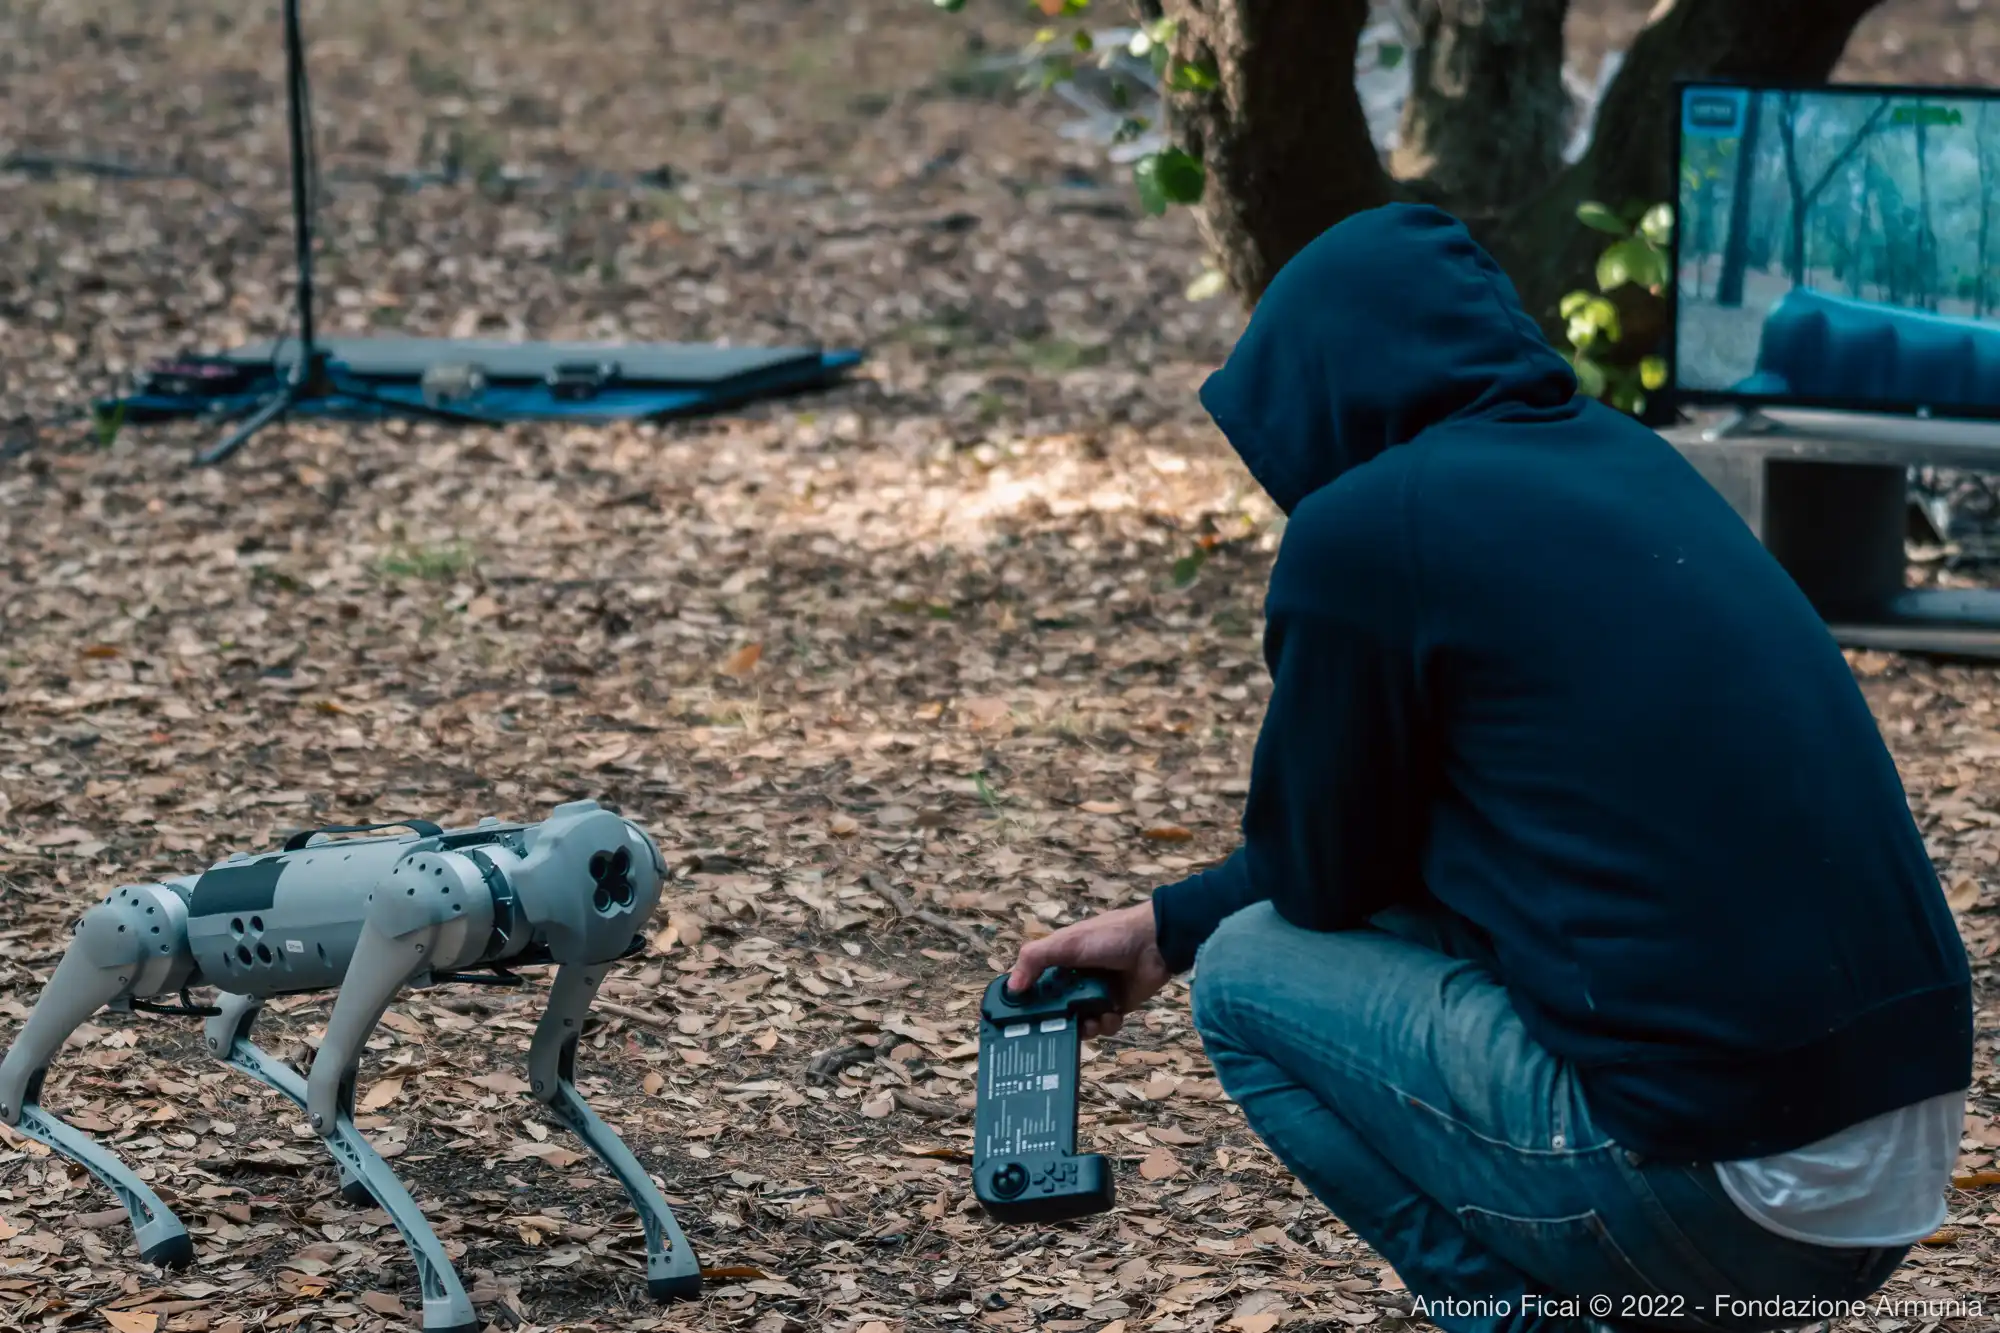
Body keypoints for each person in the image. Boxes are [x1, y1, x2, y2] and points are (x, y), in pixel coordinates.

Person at [1006, 204, 1973, 1333]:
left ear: (1317, 385)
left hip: (1726, 1203)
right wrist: (1162, 921)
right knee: (1273, 931)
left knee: (1245, 971)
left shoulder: (1370, 528)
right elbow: (1428, 845)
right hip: (1891, 1170)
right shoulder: (1628, 461)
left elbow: (1316, 881)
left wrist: (1194, 937)